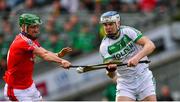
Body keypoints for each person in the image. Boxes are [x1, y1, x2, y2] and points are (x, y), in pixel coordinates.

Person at [3, 13, 72, 101]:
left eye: (37, 27)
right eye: (33, 27)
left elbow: (44, 52)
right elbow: (44, 55)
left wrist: (58, 55)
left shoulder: (30, 40)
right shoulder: (22, 42)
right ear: (24, 27)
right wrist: (61, 61)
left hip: (29, 85)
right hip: (17, 90)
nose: (36, 30)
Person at [99, 11, 156, 101]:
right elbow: (111, 75)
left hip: (143, 78)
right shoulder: (104, 46)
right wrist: (110, 70)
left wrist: (137, 58)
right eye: (105, 25)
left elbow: (150, 45)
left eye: (110, 24)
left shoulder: (128, 31)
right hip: (125, 83)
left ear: (117, 23)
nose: (108, 27)